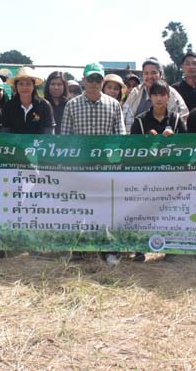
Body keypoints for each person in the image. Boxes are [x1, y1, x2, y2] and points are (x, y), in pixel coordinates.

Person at [60, 63, 126, 264]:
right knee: (79, 207)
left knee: (105, 207)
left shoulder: (113, 104)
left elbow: (120, 136)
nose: (94, 83)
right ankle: (78, 247)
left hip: (105, 167)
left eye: (98, 80)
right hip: (79, 166)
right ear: (84, 80)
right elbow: (65, 137)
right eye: (91, 79)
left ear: (102, 82)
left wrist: (115, 162)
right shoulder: (72, 105)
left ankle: (107, 248)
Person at [123, 58, 188, 131]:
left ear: (161, 74)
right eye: (146, 73)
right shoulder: (135, 93)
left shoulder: (172, 94)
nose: (150, 77)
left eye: (153, 73)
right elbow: (125, 117)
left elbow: (183, 118)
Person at [2, 67, 55, 134]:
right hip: (14, 143)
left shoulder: (44, 105)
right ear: (16, 86)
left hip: (38, 143)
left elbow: (49, 131)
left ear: (33, 86)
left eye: (28, 84)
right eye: (21, 84)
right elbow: (5, 130)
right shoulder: (8, 106)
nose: (24, 87)